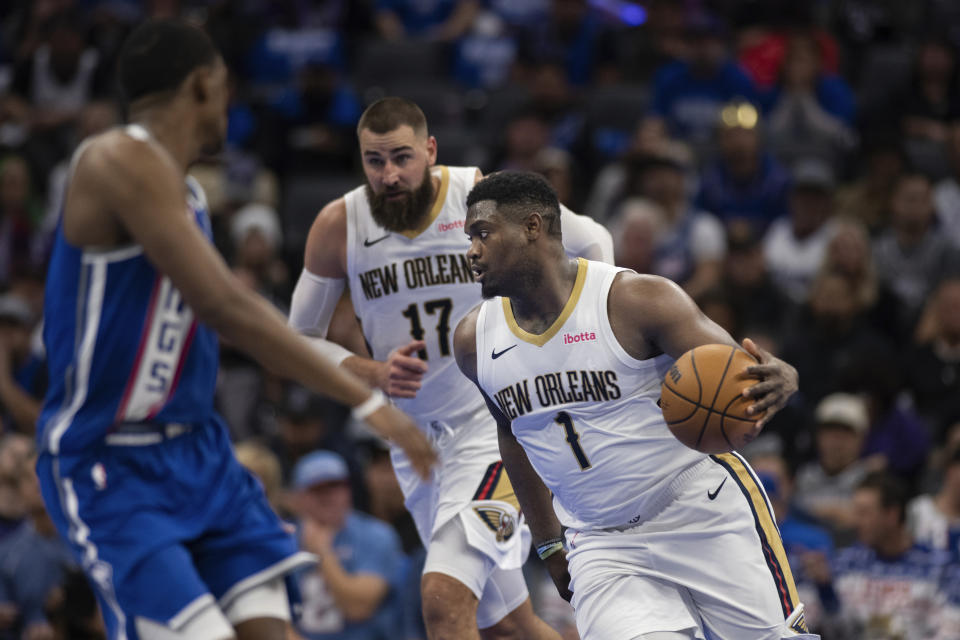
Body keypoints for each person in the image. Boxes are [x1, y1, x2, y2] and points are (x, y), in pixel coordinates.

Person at [34, 20, 434, 640]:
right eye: (223, 88)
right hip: (110, 457)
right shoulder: (115, 157)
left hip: (199, 450)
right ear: (201, 84)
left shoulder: (187, 195)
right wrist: (367, 400)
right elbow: (224, 305)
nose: (231, 103)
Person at [290, 97, 612, 640]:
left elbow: (591, 239)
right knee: (509, 626)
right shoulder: (339, 224)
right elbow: (297, 340)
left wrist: (580, 338)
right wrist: (371, 372)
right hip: (414, 444)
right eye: (374, 161)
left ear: (430, 150)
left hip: (491, 430)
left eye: (401, 158)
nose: (388, 174)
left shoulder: (475, 196)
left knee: (441, 599)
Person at [454, 171, 814, 639]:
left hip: (698, 507)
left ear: (532, 227)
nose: (472, 252)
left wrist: (783, 377)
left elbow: (737, 378)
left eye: (483, 234)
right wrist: (546, 542)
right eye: (469, 238)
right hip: (600, 541)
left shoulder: (636, 300)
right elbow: (512, 433)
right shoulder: (473, 341)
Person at [288, 450, 406, 640]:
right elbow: (272, 615)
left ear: (349, 490)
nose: (327, 497)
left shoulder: (376, 535)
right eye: (316, 489)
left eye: (334, 486)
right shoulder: (283, 539)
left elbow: (358, 607)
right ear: (297, 498)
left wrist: (322, 553)